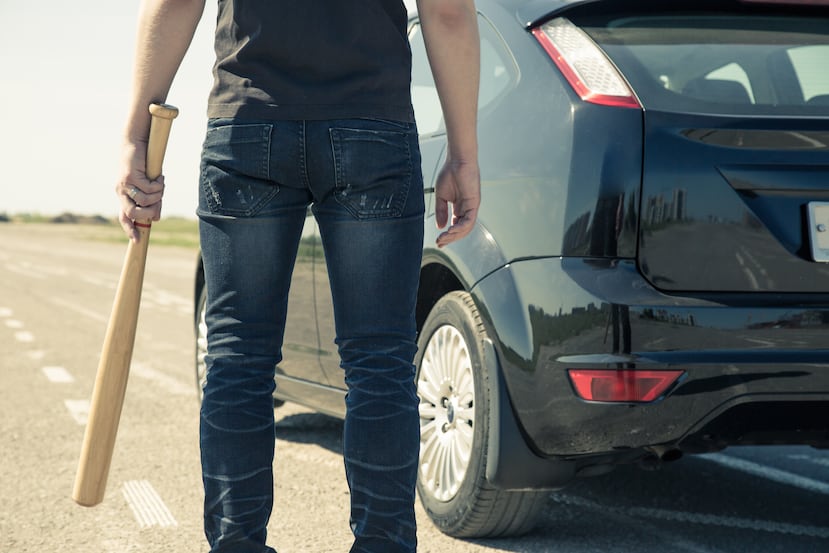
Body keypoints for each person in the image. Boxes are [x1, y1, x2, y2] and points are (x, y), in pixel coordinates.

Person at [115, 1, 480, 551]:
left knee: (237, 359)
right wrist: (463, 152)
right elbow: (448, 12)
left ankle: (237, 543)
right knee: (380, 361)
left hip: (249, 122)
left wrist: (135, 136)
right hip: (371, 128)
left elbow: (174, 4)